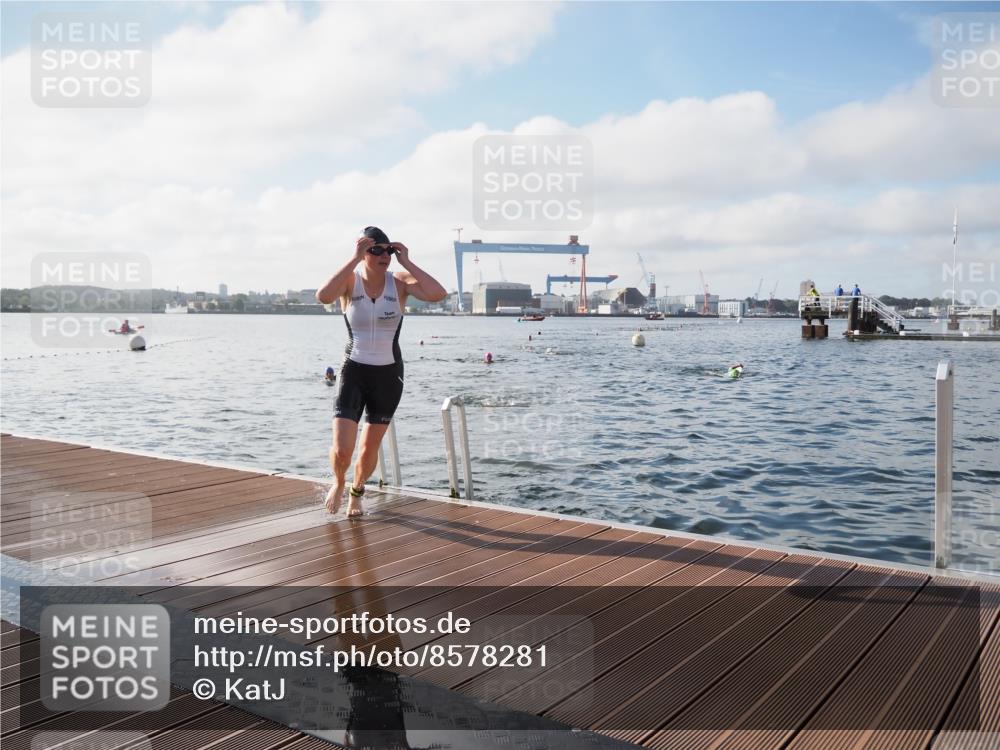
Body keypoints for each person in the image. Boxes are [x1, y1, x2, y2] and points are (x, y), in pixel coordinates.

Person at [316, 227, 447, 516]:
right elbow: (323, 296)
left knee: (367, 448)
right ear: (364, 252)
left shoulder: (399, 283)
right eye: (375, 250)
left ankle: (356, 491)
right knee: (342, 449)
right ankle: (339, 482)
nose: (383, 255)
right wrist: (353, 258)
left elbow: (438, 294)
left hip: (388, 376)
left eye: (388, 250)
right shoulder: (350, 282)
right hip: (354, 371)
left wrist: (408, 262)